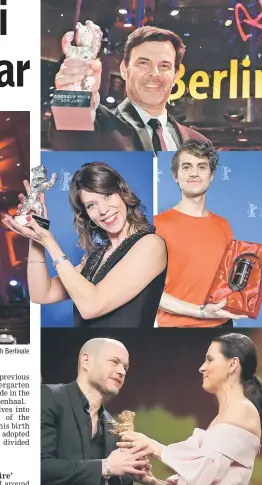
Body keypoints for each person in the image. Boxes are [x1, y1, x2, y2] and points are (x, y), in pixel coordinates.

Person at [2, 162, 167, 328]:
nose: (103, 210)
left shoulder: (150, 245)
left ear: (122, 193)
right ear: (86, 214)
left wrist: (50, 242)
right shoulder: (95, 257)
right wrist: (37, 233)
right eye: (91, 205)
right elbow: (42, 294)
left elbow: (92, 306)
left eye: (107, 195)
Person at [117, 333, 262, 485]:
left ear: (233, 364)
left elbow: (205, 467)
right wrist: (153, 482)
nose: (202, 368)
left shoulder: (242, 409)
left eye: (210, 360)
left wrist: (154, 447)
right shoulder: (225, 417)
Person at [50, 26, 208, 151]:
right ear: (124, 70)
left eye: (164, 65)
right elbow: (69, 140)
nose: (154, 73)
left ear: (175, 76)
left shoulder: (201, 144)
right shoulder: (100, 126)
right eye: (143, 63)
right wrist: (73, 97)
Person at [154, 139, 246, 327]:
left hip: (222, 323)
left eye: (202, 167)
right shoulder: (157, 225)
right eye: (186, 167)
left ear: (211, 175)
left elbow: (227, 279)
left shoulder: (223, 225)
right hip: (177, 329)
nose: (194, 173)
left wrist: (252, 276)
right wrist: (201, 312)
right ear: (175, 176)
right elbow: (149, 291)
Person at [41, 338, 150, 485]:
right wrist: (105, 466)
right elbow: (35, 466)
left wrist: (134, 475)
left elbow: (111, 473)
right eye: (114, 362)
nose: (121, 372)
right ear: (86, 361)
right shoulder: (48, 397)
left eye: (125, 367)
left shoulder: (113, 427)